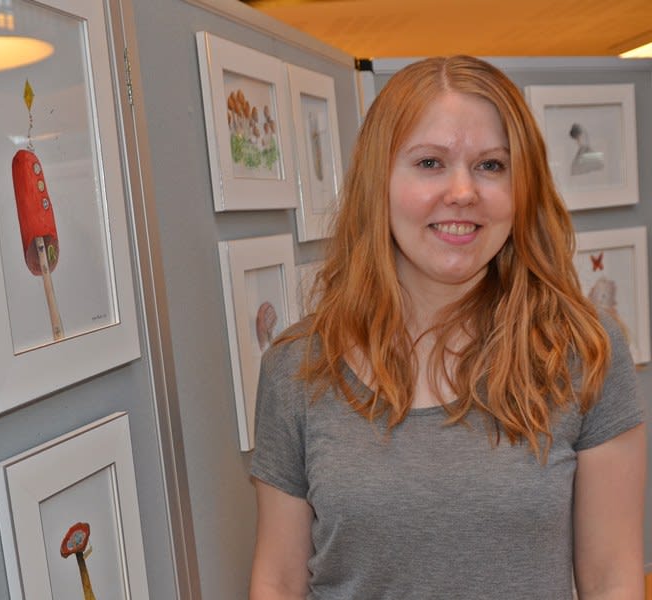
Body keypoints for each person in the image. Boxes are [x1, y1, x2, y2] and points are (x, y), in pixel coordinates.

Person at [249, 55, 646, 599]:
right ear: (378, 182)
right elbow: (278, 580)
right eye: (431, 162)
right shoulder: (298, 367)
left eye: (491, 165)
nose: (462, 191)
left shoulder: (581, 350)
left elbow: (611, 579)